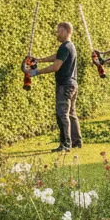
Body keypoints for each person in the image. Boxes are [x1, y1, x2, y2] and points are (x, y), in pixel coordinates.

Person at [30, 21, 82, 152]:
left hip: (64, 85)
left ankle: (66, 144)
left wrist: (36, 72)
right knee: (71, 114)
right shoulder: (69, 46)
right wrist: (39, 60)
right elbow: (57, 57)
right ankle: (76, 142)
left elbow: (56, 66)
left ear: (65, 31)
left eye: (58, 31)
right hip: (73, 84)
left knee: (62, 114)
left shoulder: (65, 47)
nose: (57, 33)